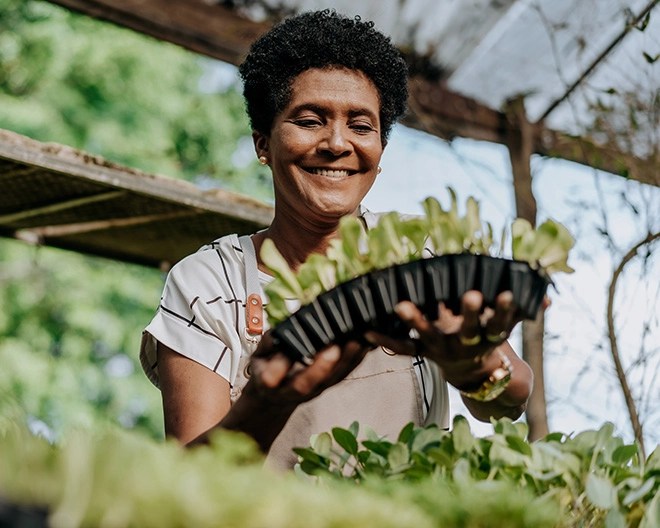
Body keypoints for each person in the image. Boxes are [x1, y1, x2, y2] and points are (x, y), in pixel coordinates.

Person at [140, 9, 534, 470]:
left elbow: (510, 400)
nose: (337, 143)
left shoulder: (421, 251)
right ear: (263, 143)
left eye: (361, 126)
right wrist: (266, 402)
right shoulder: (210, 283)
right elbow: (190, 483)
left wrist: (475, 368)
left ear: (381, 152)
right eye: (309, 120)